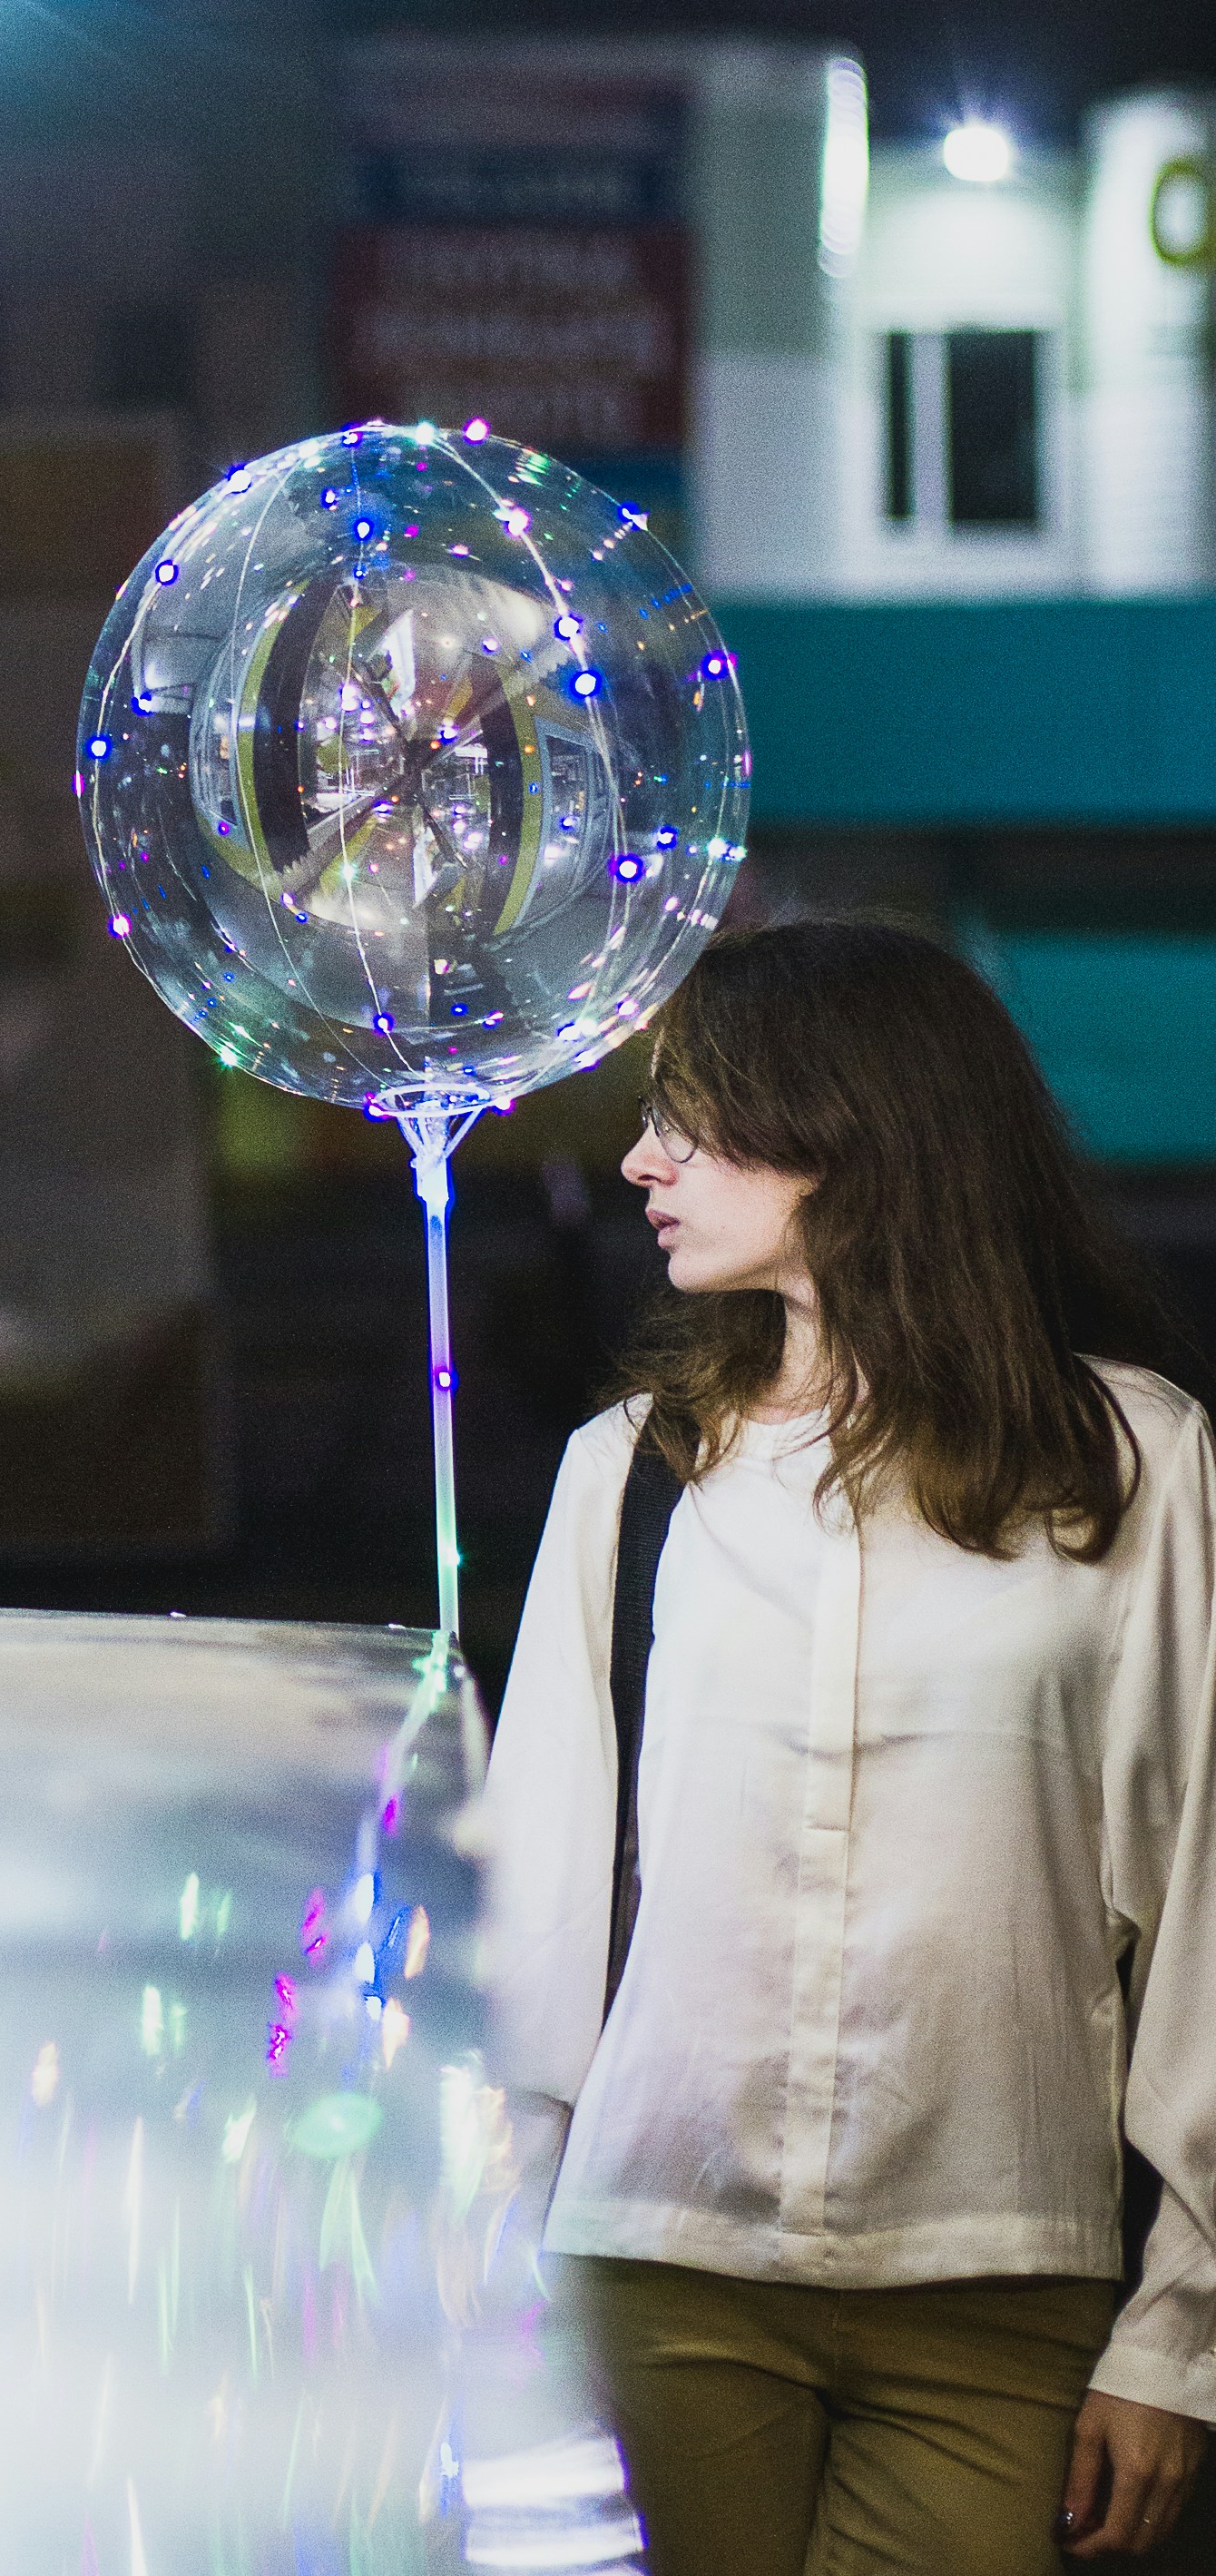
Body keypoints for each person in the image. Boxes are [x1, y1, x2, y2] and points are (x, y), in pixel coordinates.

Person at [477, 919, 1216, 2573]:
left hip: (1002, 2275)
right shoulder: (636, 1472)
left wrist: (1182, 2334)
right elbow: (533, 1896)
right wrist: (487, 2282)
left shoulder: (1135, 1466)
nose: (640, 1160)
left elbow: (1201, 1916)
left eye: (691, 1118)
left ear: (849, 1135)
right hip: (654, 2260)